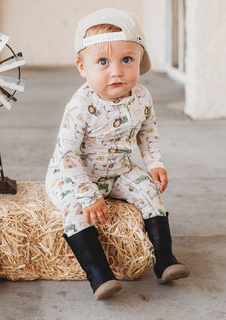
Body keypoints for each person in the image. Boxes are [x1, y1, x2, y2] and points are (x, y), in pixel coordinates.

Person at [45, 8, 190, 301]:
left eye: (127, 60)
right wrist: (88, 195)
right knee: (75, 211)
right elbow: (67, 155)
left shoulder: (142, 97)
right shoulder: (80, 106)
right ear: (82, 67)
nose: (116, 71)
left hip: (120, 168)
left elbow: (147, 131)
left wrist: (154, 163)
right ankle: (99, 274)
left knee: (149, 191)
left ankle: (164, 260)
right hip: (77, 174)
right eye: (102, 62)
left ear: (140, 60)